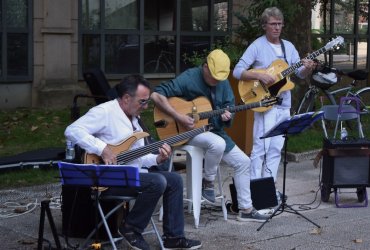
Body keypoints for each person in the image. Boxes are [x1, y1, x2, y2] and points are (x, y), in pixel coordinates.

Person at [64, 75, 202, 250]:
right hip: (107, 176)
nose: (145, 107)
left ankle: (174, 237)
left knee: (174, 179)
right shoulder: (105, 112)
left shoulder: (135, 121)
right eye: (142, 102)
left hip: (130, 174)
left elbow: (138, 158)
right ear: (127, 98)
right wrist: (102, 149)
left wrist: (157, 159)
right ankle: (130, 228)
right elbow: (72, 130)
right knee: (157, 181)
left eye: (146, 102)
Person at [151, 49, 270, 222]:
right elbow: (156, 94)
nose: (216, 81)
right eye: (213, 76)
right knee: (217, 144)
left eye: (219, 78)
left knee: (244, 162)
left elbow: (229, 108)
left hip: (214, 131)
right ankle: (208, 181)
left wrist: (227, 117)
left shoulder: (222, 82)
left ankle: (245, 209)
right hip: (188, 132)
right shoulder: (189, 77)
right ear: (205, 67)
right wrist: (179, 116)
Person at [232, 7, 315, 200]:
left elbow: (299, 73)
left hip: (283, 106)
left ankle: (269, 188)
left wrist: (307, 68)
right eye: (273, 24)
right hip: (265, 104)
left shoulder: (288, 47)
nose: (277, 28)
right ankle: (254, 190)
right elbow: (238, 71)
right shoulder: (257, 46)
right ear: (264, 26)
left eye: (280, 24)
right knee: (261, 148)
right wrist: (259, 74)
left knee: (276, 148)